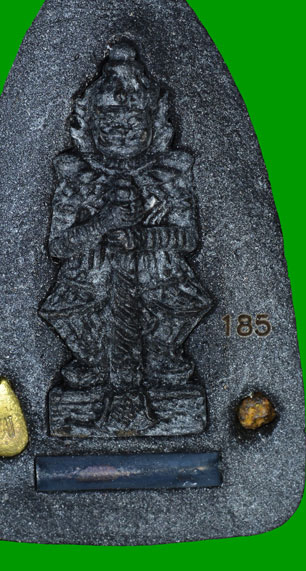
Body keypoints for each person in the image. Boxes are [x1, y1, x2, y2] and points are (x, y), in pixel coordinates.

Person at [39, 40, 212, 435]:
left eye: (133, 120)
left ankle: (161, 376)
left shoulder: (170, 173)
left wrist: (144, 239)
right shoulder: (75, 177)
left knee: (169, 327)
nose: (120, 130)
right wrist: (101, 223)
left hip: (159, 280)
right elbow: (57, 245)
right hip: (90, 285)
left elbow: (188, 237)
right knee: (78, 324)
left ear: (155, 124)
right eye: (108, 120)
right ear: (87, 124)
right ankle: (95, 378)